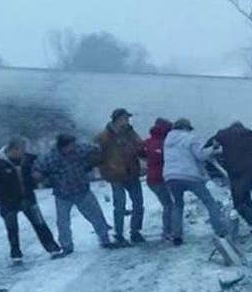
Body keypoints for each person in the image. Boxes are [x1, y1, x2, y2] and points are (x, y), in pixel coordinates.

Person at [35, 133, 118, 258]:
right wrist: (40, 177)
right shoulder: (51, 157)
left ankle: (105, 240)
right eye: (70, 145)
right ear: (62, 147)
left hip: (82, 190)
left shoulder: (80, 149)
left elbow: (96, 150)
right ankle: (67, 247)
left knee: (96, 216)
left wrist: (93, 161)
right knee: (63, 222)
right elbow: (38, 168)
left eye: (73, 144)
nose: (73, 147)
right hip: (63, 195)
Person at [0, 137, 60, 262]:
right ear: (12, 149)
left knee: (39, 224)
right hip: (8, 202)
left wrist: (38, 179)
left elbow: (40, 168)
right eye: (21, 149)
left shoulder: (28, 159)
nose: (23, 152)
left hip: (28, 198)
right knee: (12, 228)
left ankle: (52, 248)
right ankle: (16, 253)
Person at [162, 118, 227, 245]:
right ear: (186, 128)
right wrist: (213, 148)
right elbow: (201, 156)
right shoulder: (191, 138)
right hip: (190, 176)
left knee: (178, 205)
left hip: (171, 176)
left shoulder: (167, 140)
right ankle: (220, 231)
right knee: (209, 202)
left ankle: (177, 236)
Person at [208, 122, 252, 237]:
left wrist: (214, 149)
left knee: (239, 202)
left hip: (237, 172)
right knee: (245, 197)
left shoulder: (224, 133)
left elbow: (210, 144)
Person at [95, 108, 145, 245]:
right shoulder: (104, 137)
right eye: (125, 118)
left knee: (138, 204)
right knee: (120, 206)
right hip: (115, 175)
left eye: (127, 118)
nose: (127, 120)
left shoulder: (130, 133)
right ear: (117, 119)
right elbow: (97, 156)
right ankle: (119, 234)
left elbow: (140, 147)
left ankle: (135, 231)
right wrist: (106, 171)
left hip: (132, 173)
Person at [141, 118, 175, 241]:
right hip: (159, 178)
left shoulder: (148, 142)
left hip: (152, 178)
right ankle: (168, 231)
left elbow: (140, 151)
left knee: (168, 204)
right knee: (169, 205)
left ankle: (169, 229)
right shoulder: (163, 144)